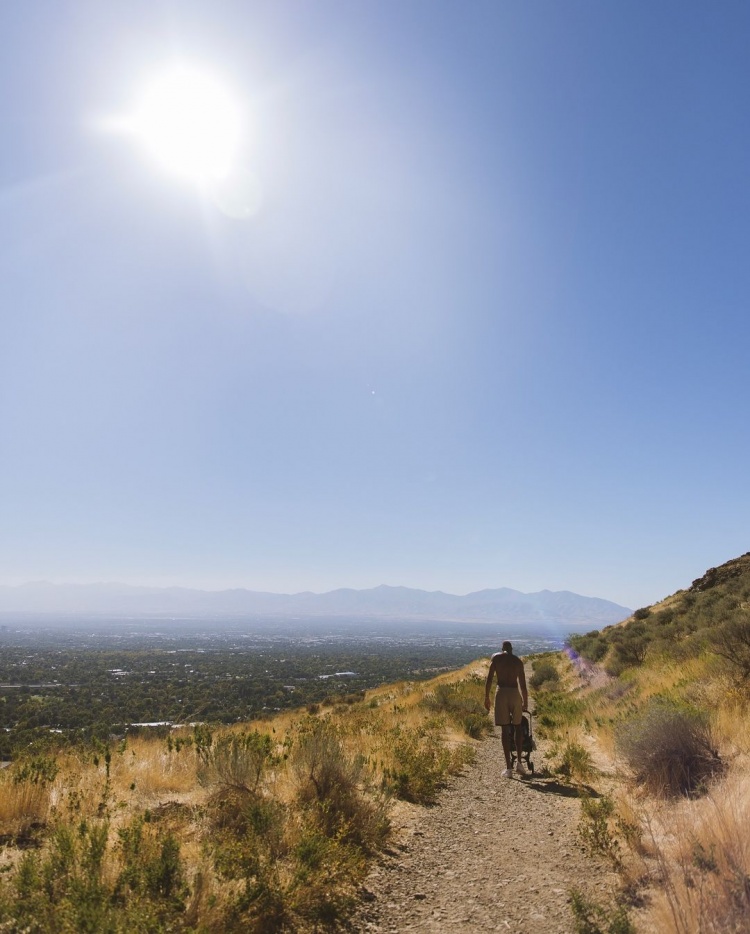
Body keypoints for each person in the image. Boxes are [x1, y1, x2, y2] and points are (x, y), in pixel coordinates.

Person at [484, 641, 529, 778]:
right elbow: (523, 685)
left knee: (504, 729)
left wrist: (486, 697)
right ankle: (520, 763)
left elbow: (489, 679)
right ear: (511, 649)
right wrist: (525, 701)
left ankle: (508, 768)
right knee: (518, 727)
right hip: (515, 693)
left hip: (501, 693)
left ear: (502, 649)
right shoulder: (518, 662)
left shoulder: (496, 658)